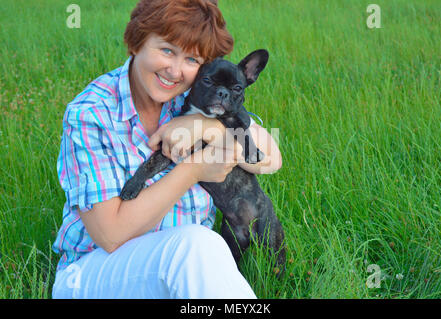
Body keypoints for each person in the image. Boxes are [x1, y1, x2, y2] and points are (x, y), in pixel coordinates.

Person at [52, 0, 282, 299]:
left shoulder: (191, 97)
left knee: (198, 249)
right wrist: (195, 168)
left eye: (191, 59)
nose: (175, 71)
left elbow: (272, 158)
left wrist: (207, 128)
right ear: (137, 42)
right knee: (199, 245)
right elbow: (110, 235)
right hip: (99, 273)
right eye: (167, 51)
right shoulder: (91, 113)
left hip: (185, 273)